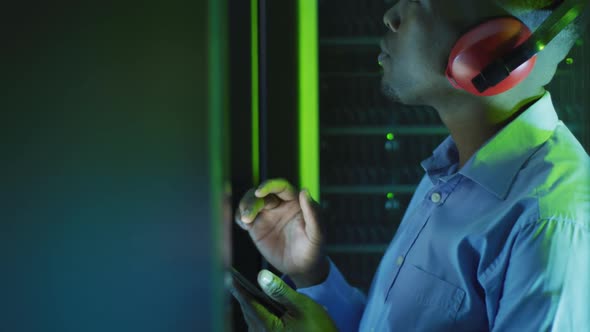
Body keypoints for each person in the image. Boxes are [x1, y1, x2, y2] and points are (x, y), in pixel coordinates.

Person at [229, 0, 590, 331]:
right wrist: (312, 274)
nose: (391, 16)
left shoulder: (549, 222)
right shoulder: (453, 170)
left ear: (489, 48)